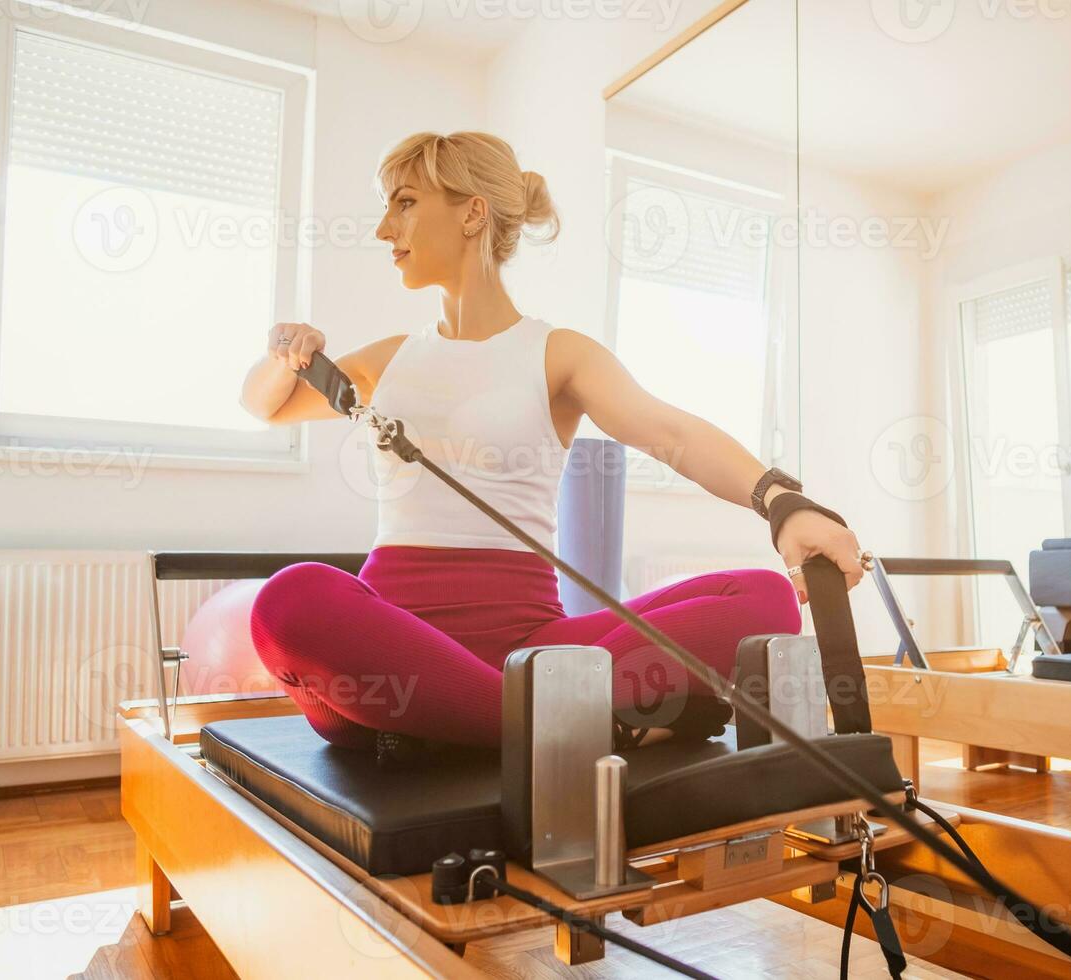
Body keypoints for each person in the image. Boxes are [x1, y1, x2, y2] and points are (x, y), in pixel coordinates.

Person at [238, 131, 865, 752]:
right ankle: (554, 722)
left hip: (533, 649)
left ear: (472, 213)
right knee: (289, 601)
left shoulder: (555, 353)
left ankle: (480, 720)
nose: (383, 229)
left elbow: (668, 432)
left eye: (404, 203)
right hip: (393, 649)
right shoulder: (390, 360)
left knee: (765, 597)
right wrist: (283, 352)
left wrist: (781, 503)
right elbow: (268, 405)